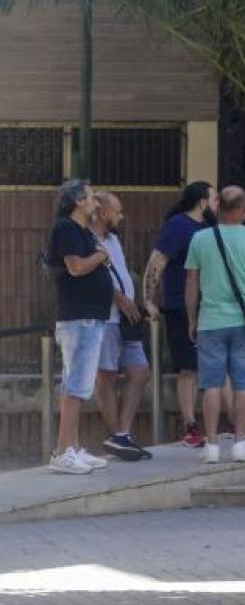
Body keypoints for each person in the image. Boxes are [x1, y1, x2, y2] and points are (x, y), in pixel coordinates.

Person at [184, 187, 245, 464]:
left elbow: (191, 282)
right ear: (244, 208)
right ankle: (240, 442)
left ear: (218, 208)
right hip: (244, 322)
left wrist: (192, 318)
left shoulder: (200, 239)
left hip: (210, 320)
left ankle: (211, 444)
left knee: (211, 384)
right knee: (243, 384)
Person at [142, 181, 225, 447]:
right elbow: (158, 261)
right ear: (202, 201)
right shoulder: (178, 226)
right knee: (188, 367)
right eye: (214, 199)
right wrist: (148, 298)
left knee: (214, 366)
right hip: (180, 304)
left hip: (211, 304)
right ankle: (190, 423)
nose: (217, 204)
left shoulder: (211, 228)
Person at [45, 180, 113, 474]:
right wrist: (100, 256)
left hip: (90, 317)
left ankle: (72, 446)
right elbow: (76, 267)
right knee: (75, 386)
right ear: (77, 202)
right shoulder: (65, 229)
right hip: (79, 318)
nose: (96, 202)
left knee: (78, 385)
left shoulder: (82, 231)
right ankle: (62, 451)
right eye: (90, 197)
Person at [90, 191, 151, 462]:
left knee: (139, 371)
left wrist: (135, 302)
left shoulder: (114, 239)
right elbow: (93, 278)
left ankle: (121, 434)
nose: (121, 216)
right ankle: (118, 434)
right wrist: (119, 299)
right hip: (107, 318)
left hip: (127, 318)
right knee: (106, 375)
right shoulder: (86, 240)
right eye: (118, 211)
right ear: (103, 212)